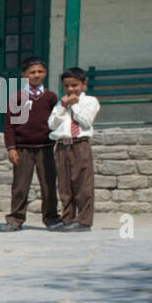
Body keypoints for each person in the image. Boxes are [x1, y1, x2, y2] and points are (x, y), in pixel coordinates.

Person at [1, 57, 61, 232]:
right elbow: (9, 125)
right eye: (32, 72)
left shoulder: (50, 97)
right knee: (20, 185)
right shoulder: (17, 97)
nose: (36, 75)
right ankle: (15, 219)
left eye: (40, 72)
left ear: (45, 73)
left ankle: (51, 217)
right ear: (24, 75)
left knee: (49, 184)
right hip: (23, 149)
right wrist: (11, 147)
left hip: (45, 147)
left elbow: (56, 120)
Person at [48, 66, 98, 232]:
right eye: (67, 86)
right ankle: (68, 218)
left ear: (84, 84)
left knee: (83, 183)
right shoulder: (60, 103)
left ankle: (83, 220)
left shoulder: (90, 102)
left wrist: (74, 106)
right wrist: (62, 107)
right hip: (63, 146)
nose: (70, 89)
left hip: (79, 144)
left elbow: (86, 122)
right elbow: (51, 124)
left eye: (74, 85)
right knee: (64, 184)